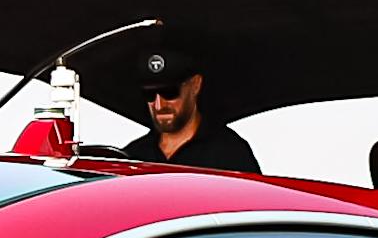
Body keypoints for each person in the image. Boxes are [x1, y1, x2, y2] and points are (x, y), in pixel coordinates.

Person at [105, 35, 264, 173]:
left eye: (169, 92)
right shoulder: (133, 158)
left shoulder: (230, 155)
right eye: (150, 94)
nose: (159, 105)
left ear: (195, 85)